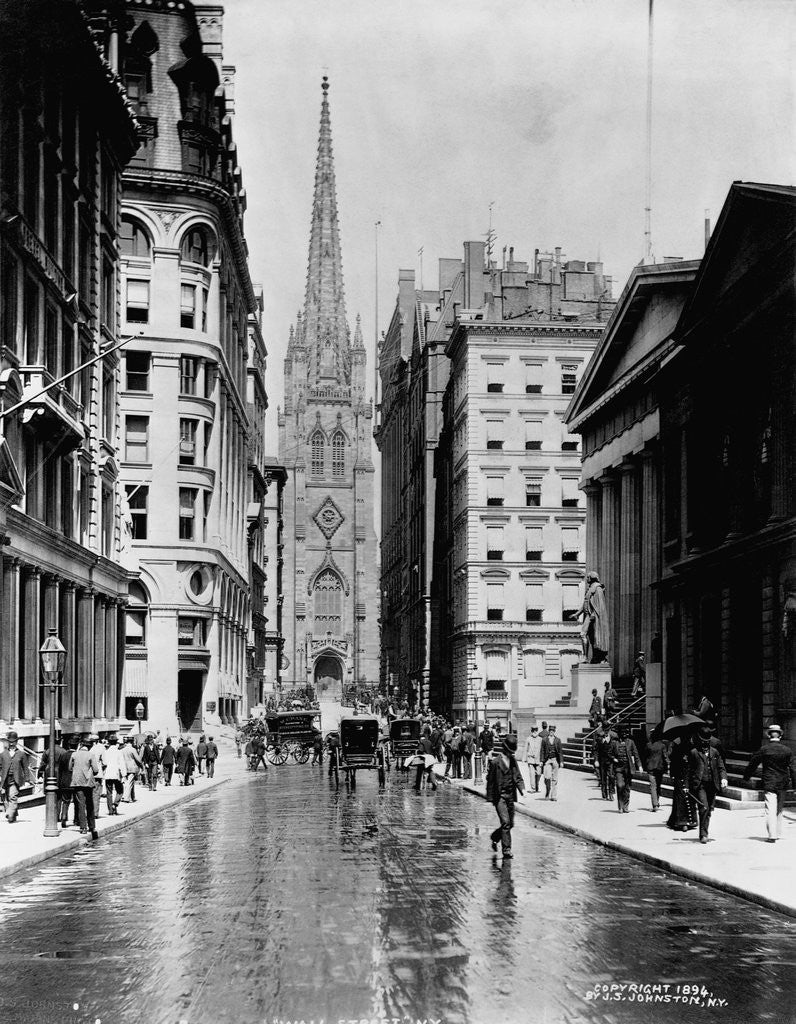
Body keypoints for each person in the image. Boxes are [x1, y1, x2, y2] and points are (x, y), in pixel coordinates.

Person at [743, 724, 794, 843]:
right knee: (779, 809)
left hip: (769, 781)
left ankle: (772, 835)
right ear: (780, 735)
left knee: (770, 808)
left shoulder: (764, 749)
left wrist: (746, 776)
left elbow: (753, 763)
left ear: (768, 735)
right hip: (783, 782)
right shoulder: (787, 750)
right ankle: (777, 832)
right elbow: (793, 768)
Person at [486, 734, 525, 859]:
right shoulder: (495, 762)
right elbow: (490, 782)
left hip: (510, 796)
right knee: (506, 823)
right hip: (500, 797)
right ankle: (506, 850)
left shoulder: (513, 761)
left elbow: (517, 776)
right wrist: (490, 798)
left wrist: (522, 790)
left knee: (510, 824)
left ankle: (495, 837)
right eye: (510, 751)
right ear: (505, 749)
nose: (511, 754)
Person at [688, 725, 728, 843]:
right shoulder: (694, 752)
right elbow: (689, 770)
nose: (705, 743)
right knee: (703, 807)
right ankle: (703, 834)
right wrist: (688, 785)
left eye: (707, 741)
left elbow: (721, 767)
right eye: (703, 741)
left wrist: (724, 778)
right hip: (700, 785)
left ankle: (705, 830)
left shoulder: (715, 752)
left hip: (712, 784)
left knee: (709, 809)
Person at [666, 736, 697, 833]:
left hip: (680, 774)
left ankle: (680, 821)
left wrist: (672, 773)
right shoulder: (693, 745)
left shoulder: (676, 744)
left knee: (680, 796)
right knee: (687, 796)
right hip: (688, 774)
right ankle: (689, 821)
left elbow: (672, 759)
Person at [69, 737, 98, 838]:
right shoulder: (91, 755)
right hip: (88, 782)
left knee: (81, 804)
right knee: (89, 803)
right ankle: (92, 826)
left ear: (81, 745)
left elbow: (69, 768)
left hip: (77, 782)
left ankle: (83, 827)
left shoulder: (74, 754)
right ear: (89, 746)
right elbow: (96, 769)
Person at [579, 570, 610, 663]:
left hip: (593, 616)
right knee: (587, 635)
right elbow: (585, 604)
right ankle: (586, 656)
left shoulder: (597, 588)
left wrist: (593, 614)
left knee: (591, 636)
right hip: (588, 616)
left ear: (592, 578)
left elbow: (600, 605)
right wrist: (577, 613)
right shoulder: (589, 589)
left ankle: (589, 657)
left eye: (588, 577)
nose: (587, 578)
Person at [610, 724, 641, 813]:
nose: (624, 734)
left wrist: (639, 765)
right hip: (618, 767)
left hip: (628, 767)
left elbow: (636, 754)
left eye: (625, 733)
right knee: (620, 786)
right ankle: (620, 806)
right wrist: (613, 758)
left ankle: (625, 806)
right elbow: (609, 753)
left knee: (627, 787)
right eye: (622, 733)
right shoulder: (614, 742)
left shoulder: (630, 742)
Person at [0, 731, 30, 823]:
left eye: (14, 741)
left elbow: (25, 768)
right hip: (5, 779)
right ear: (7, 742)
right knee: (6, 798)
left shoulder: (21, 754)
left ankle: (9, 813)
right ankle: (13, 815)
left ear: (17, 742)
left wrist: (27, 780)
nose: (12, 743)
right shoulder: (3, 754)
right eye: (10, 741)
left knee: (13, 796)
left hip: (15, 779)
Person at [645, 732, 669, 812]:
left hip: (651, 767)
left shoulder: (648, 745)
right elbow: (665, 756)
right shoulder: (662, 745)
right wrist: (667, 766)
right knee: (658, 785)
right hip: (660, 768)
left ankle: (655, 804)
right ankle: (656, 801)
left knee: (653, 786)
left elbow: (645, 755)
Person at [101, 735, 124, 814]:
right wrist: (124, 774)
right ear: (116, 742)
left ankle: (110, 810)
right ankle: (115, 804)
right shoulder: (119, 752)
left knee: (109, 792)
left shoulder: (106, 752)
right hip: (116, 773)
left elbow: (104, 762)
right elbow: (122, 764)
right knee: (120, 790)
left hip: (108, 774)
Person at [413, 725, 438, 792]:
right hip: (430, 758)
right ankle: (434, 782)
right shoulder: (429, 742)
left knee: (419, 771)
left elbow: (421, 750)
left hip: (424, 759)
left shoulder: (422, 742)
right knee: (430, 770)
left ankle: (418, 785)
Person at [540, 724, 562, 800]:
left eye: (553, 731)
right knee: (547, 777)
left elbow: (560, 752)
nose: (551, 732)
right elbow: (542, 751)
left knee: (555, 779)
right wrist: (541, 761)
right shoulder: (544, 740)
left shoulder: (558, 740)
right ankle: (547, 791)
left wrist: (561, 761)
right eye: (550, 731)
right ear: (549, 731)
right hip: (547, 760)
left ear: (554, 732)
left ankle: (553, 796)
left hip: (555, 760)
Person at [121, 736, 143, 802]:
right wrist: (141, 766)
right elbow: (138, 759)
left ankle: (132, 797)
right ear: (132, 742)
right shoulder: (133, 749)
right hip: (132, 768)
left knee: (128, 782)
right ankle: (127, 797)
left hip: (124, 767)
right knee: (129, 783)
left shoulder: (122, 750)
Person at [88, 734, 105, 818]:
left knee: (87, 794)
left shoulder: (87, 748)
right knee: (96, 794)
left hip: (87, 774)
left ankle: (88, 813)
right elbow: (105, 761)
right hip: (97, 773)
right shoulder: (101, 747)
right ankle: (94, 813)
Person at [524, 725, 542, 793]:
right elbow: (525, 748)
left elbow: (542, 750)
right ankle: (533, 788)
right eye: (533, 730)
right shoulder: (528, 739)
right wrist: (524, 758)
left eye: (536, 730)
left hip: (538, 759)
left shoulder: (540, 739)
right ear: (531, 731)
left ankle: (537, 785)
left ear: (537, 731)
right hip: (530, 759)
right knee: (532, 774)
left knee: (539, 773)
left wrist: (542, 760)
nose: (534, 731)